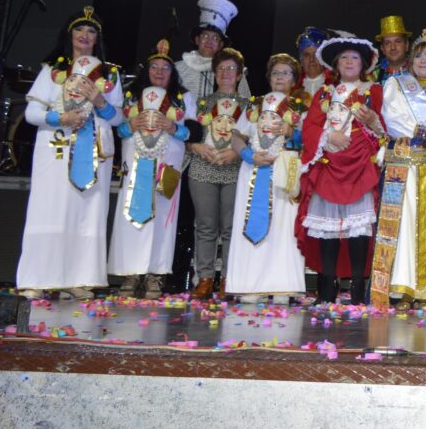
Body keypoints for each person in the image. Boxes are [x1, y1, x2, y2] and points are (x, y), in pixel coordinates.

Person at [16, 7, 123, 300]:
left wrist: (99, 100)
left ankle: (78, 278)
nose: (85, 36)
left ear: (97, 38)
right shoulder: (52, 72)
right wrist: (60, 119)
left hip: (94, 152)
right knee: (50, 209)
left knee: (85, 213)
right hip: (56, 149)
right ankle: (36, 278)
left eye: (91, 32)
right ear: (70, 35)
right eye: (80, 30)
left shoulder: (109, 73)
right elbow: (32, 113)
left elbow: (117, 119)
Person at [297, 36, 385, 305]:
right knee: (328, 229)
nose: (349, 61)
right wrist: (327, 137)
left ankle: (358, 287)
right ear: (336, 63)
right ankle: (326, 286)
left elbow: (384, 129)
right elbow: (310, 127)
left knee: (359, 230)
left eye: (355, 57)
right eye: (344, 57)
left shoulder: (374, 91)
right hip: (329, 166)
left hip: (359, 166)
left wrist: (373, 121)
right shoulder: (324, 93)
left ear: (364, 64)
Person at [109, 40, 196, 299]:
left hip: (167, 166)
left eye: (165, 68)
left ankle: (155, 275)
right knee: (131, 215)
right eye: (154, 67)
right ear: (146, 70)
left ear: (173, 72)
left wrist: (172, 128)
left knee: (163, 219)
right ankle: (130, 274)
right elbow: (119, 130)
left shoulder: (183, 98)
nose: (159, 72)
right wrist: (132, 124)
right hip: (135, 163)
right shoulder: (131, 95)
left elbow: (192, 132)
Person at [370, 29, 426, 311]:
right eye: (419, 55)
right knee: (403, 226)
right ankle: (402, 289)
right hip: (404, 164)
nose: (424, 60)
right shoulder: (397, 84)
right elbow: (393, 121)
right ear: (411, 59)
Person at [226, 53, 307, 304]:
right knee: (251, 219)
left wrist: (293, 132)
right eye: (275, 73)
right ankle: (250, 284)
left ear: (294, 79)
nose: (280, 77)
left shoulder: (301, 106)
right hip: (253, 171)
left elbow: (312, 141)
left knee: (283, 229)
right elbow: (236, 136)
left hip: (285, 172)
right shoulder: (254, 105)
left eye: (285, 73)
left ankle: (282, 285)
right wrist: (249, 155)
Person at [187, 47, 247, 300]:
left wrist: (238, 153)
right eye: (221, 68)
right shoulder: (201, 102)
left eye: (231, 68)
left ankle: (230, 279)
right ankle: (205, 277)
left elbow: (256, 139)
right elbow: (187, 137)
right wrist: (196, 147)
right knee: (205, 227)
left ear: (240, 74)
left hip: (236, 172)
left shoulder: (250, 106)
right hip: (203, 170)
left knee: (232, 229)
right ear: (214, 72)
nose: (226, 73)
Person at [175, 0, 250, 99]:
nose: (209, 41)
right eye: (205, 36)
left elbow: (247, 105)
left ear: (221, 45)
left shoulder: (235, 72)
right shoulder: (177, 69)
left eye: (215, 38)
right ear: (197, 40)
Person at [295, 26, 336, 110]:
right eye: (306, 55)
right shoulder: (291, 88)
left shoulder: (336, 84)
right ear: (301, 61)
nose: (311, 59)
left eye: (316, 54)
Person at [373, 16, 411, 83]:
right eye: (387, 43)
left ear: (407, 45)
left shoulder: (418, 70)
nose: (393, 47)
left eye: (398, 41)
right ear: (382, 48)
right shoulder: (373, 75)